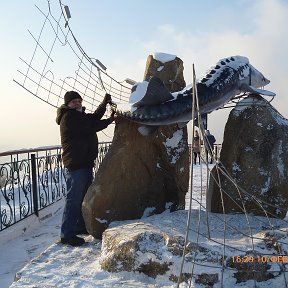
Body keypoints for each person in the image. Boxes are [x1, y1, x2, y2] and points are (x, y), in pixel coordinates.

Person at [56, 91, 115, 246]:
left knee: (81, 199)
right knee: (73, 201)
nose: (77, 103)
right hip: (77, 165)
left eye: (79, 101)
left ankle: (79, 226)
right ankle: (67, 234)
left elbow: (94, 117)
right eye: (73, 101)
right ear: (67, 104)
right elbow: (91, 126)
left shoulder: (78, 115)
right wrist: (110, 120)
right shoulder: (69, 117)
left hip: (84, 163)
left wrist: (104, 103)